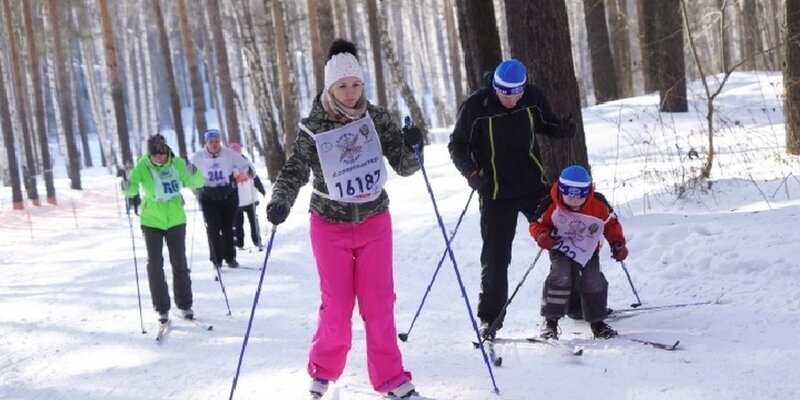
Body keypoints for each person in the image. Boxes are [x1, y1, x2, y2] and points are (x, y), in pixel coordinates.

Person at [266, 39, 422, 399]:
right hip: (329, 225)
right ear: (329, 87)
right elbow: (294, 170)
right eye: (342, 86)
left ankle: (392, 378)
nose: (351, 93)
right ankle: (323, 371)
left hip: (374, 221)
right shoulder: (314, 126)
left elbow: (404, 166)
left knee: (379, 304)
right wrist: (280, 201)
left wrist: (415, 145)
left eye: (356, 84)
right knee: (336, 306)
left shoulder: (376, 119)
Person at [448, 58, 576, 341]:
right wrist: (471, 173)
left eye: (517, 92)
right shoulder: (476, 107)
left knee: (563, 239)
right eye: (506, 93)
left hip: (533, 186)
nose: (512, 99)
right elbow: (457, 145)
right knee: (496, 257)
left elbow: (546, 123)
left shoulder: (532, 97)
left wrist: (562, 128)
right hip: (495, 192)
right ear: (495, 87)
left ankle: (576, 304)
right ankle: (490, 319)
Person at [528, 165, 628, 339]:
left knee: (592, 279)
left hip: (588, 249)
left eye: (579, 197)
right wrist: (542, 235)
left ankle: (598, 323)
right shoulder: (550, 203)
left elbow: (611, 224)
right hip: (560, 247)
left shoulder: (598, 203)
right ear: (562, 190)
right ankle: (551, 322)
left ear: (587, 192)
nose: (574, 201)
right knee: (561, 276)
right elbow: (536, 224)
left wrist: (617, 243)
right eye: (569, 196)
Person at [124, 134, 204, 323]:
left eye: (162, 153)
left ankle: (185, 305)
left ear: (167, 151)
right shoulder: (143, 165)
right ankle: (162, 307)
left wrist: (194, 172)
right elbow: (133, 188)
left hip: (175, 218)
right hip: (151, 220)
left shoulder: (177, 163)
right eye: (154, 154)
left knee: (179, 262)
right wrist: (126, 186)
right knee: (155, 264)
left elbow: (197, 183)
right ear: (149, 154)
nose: (159, 157)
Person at [191, 129, 255, 269]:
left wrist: (248, 171)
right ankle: (216, 260)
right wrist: (195, 186)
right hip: (209, 196)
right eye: (211, 142)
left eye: (216, 141)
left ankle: (230, 258)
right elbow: (189, 173)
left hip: (228, 195)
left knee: (228, 227)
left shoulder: (229, 154)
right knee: (213, 228)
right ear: (206, 143)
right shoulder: (198, 157)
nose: (214, 144)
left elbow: (244, 164)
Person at [229, 143, 266, 250]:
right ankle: (240, 243)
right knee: (239, 223)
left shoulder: (246, 164)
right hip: (238, 200)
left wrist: (261, 188)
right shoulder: (230, 167)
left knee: (252, 221)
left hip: (249, 198)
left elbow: (255, 177)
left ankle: (255, 240)